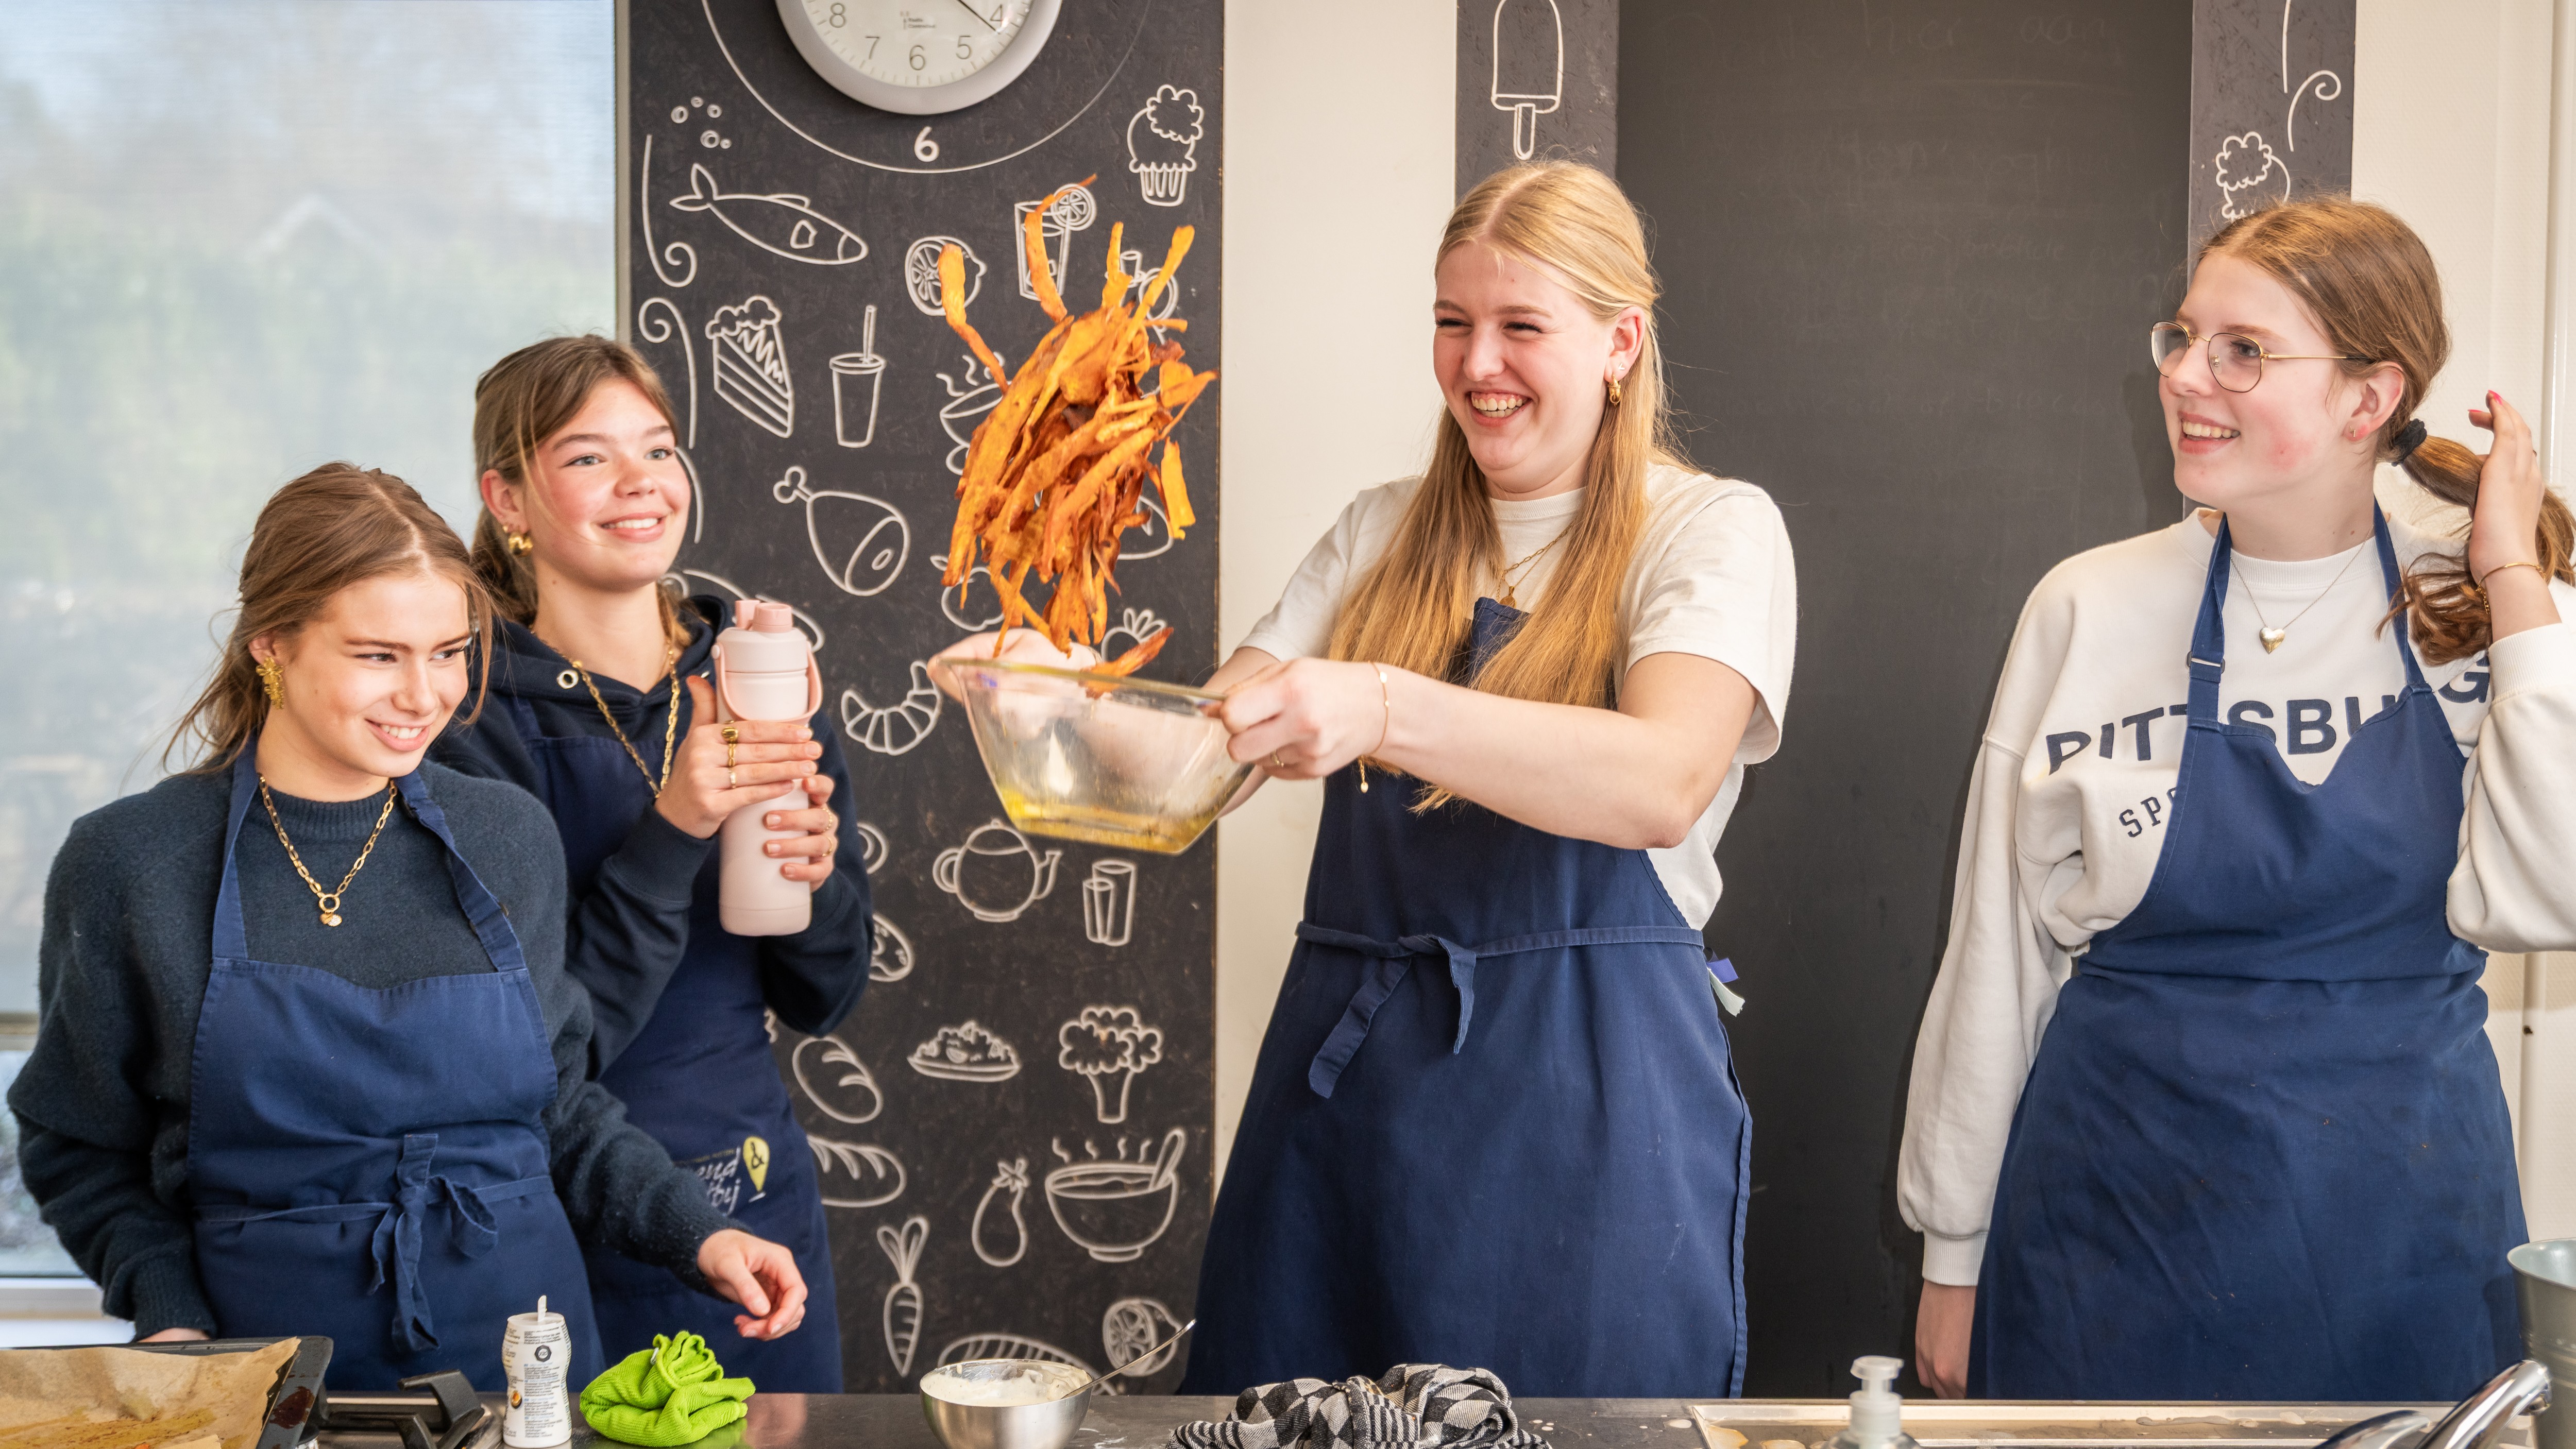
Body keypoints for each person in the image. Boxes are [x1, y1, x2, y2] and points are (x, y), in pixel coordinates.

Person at [945, 161, 1795, 1395]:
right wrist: (1052, 690)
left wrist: (1383, 705)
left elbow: (1660, 782)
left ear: (1620, 342)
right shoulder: (1380, 531)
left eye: (1520, 326)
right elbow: (1197, 761)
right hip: (1348, 1115)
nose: (1477, 364)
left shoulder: (1706, 530)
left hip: (1588, 1110)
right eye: (1452, 322)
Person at [1899, 197, 2576, 1401]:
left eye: (2243, 351)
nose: (2183, 377)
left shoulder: (2478, 615)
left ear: (2368, 399)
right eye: (2182, 338)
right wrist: (1953, 1254)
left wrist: (2514, 574)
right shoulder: (2086, 605)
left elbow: (2555, 892)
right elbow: (1995, 954)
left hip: (2406, 1228)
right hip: (2111, 1224)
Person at [11, 464, 806, 1387]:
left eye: (449, 651)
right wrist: (172, 1314)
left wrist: (698, 1234)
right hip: (264, 1378)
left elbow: (559, 1111)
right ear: (272, 644)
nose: (425, 696)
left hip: (528, 1374)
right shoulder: (132, 863)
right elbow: (77, 1144)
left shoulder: (506, 835)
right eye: (378, 655)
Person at [432, 336, 869, 1391]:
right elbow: (538, 1056)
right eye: (588, 457)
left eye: (659, 449)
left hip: (759, 1215)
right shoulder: (464, 724)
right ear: (507, 499)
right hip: (559, 1227)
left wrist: (813, 885)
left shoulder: (761, 677)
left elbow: (826, 997)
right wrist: (675, 827)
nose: (641, 482)